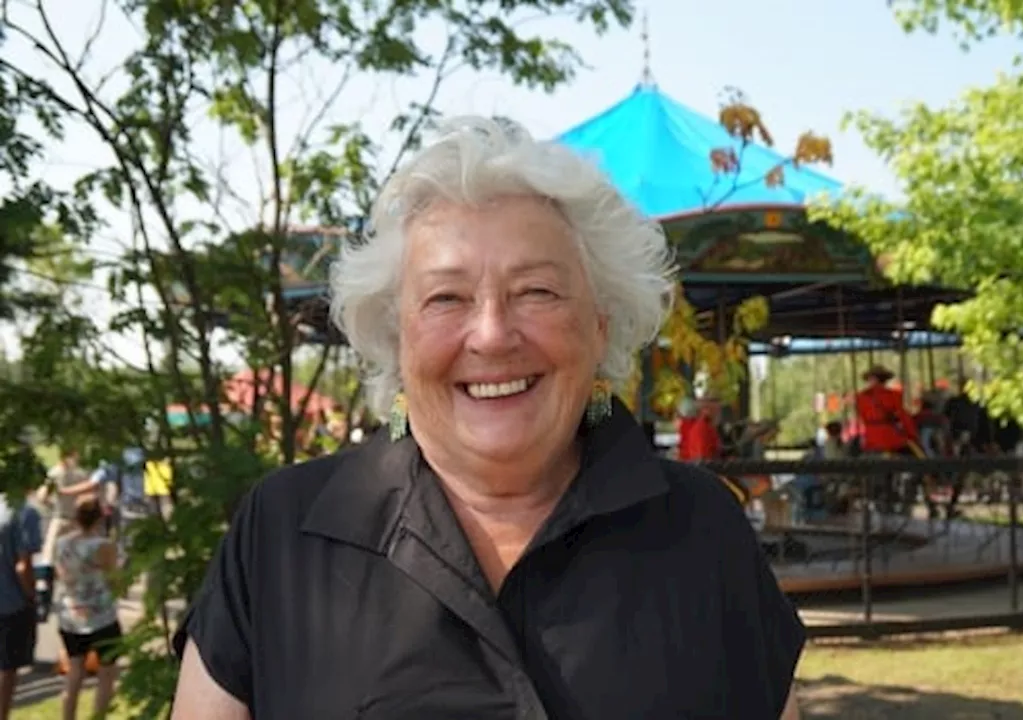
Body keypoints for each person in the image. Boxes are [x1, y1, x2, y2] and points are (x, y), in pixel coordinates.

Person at [171, 117, 806, 720]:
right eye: (445, 297)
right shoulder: (282, 535)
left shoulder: (700, 529)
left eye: (537, 291)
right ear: (398, 340)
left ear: (599, 326)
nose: (493, 334)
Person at [54, 497, 122, 719]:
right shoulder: (102, 546)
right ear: (100, 518)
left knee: (75, 670)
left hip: (70, 613)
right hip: (100, 616)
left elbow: (60, 573)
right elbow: (115, 579)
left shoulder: (61, 543)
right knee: (107, 672)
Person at [855, 365, 921, 514]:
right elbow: (903, 418)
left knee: (867, 470)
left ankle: (876, 501)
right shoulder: (894, 395)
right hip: (893, 440)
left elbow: (863, 418)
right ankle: (908, 504)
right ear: (884, 380)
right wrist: (913, 436)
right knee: (919, 465)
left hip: (871, 441)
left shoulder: (860, 398)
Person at [0, 495, 43, 720]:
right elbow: (22, 565)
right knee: (7, 668)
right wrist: (32, 595)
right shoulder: (25, 512)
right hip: (10, 602)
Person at [41, 450, 97, 563]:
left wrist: (52, 506)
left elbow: (42, 497)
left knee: (49, 557)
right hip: (79, 521)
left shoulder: (55, 473)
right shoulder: (84, 473)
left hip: (60, 518)